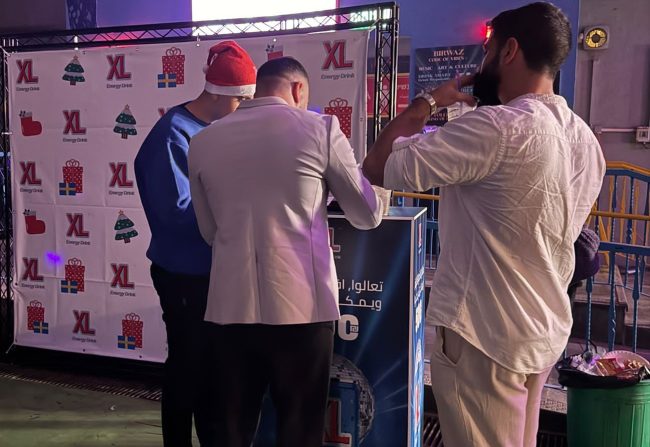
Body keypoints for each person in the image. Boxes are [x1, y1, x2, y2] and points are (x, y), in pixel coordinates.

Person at [362, 3, 606, 446]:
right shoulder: (586, 142)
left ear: (509, 51)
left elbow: (377, 166)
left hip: (484, 336)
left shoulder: (494, 127)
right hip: (543, 329)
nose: (482, 64)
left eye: (488, 52)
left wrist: (429, 101)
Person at [188, 56, 382, 447]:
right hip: (302, 309)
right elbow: (367, 214)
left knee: (232, 430)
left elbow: (208, 231)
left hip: (230, 308)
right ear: (298, 89)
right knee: (300, 429)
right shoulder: (321, 129)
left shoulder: (202, 141)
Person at [134, 40, 256, 447]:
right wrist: (241, 216)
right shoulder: (173, 135)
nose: (245, 110)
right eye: (242, 100)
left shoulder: (218, 129)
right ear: (219, 94)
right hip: (183, 273)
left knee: (210, 369)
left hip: (214, 271)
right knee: (187, 366)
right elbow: (179, 213)